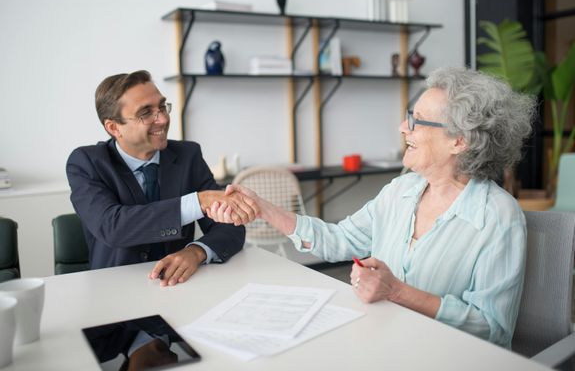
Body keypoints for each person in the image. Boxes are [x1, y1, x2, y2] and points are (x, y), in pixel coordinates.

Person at [208, 67, 536, 348]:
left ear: (459, 141)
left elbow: (492, 329)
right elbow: (337, 240)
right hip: (384, 340)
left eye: (417, 121)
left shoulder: (498, 217)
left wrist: (396, 291)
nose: (403, 128)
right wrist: (263, 207)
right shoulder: (401, 191)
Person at [66, 70, 257, 287]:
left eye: (162, 107)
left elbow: (230, 226)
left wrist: (196, 252)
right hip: (115, 292)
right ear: (113, 127)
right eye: (146, 113)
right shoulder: (86, 162)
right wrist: (198, 201)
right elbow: (113, 227)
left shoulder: (188, 156)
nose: (164, 119)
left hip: (179, 288)